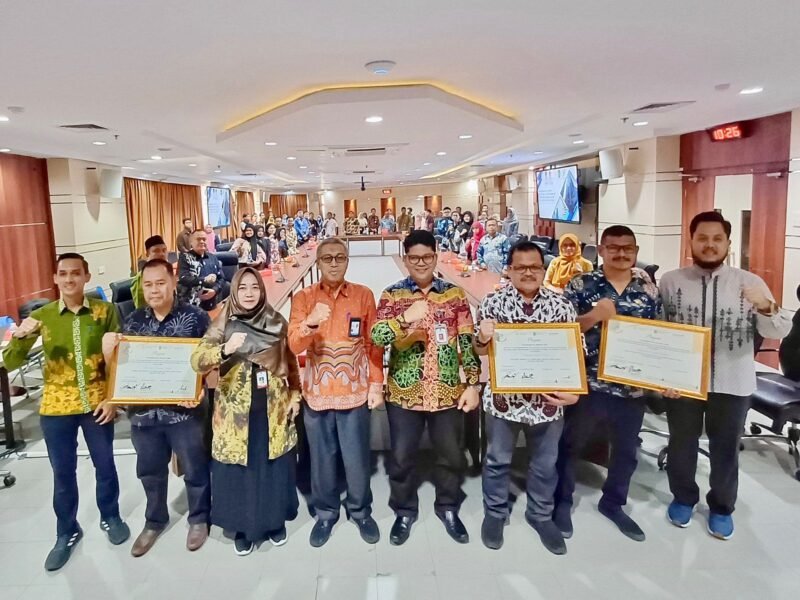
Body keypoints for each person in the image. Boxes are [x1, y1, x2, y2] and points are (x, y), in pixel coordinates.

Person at [660, 211, 792, 539]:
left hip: (733, 381)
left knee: (725, 449)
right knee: (681, 444)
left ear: (728, 244)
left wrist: (766, 306)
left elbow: (779, 330)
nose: (710, 245)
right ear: (691, 241)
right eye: (702, 238)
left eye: (717, 239)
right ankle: (683, 497)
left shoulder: (750, 282)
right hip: (684, 382)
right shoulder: (671, 281)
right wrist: (662, 377)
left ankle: (721, 507)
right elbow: (659, 331)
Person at [2, 253, 129, 571]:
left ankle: (110, 515)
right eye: (63, 273)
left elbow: (118, 359)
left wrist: (113, 399)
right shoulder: (42, 316)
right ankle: (67, 531)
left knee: (105, 465)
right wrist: (20, 336)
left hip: (97, 403)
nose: (70, 279)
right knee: (63, 473)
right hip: (56, 407)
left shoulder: (104, 311)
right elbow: (11, 362)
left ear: (86, 277)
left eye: (76, 273)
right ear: (55, 278)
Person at [371, 230, 481, 546]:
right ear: (405, 259)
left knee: (451, 456)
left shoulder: (454, 295)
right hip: (404, 394)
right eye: (414, 258)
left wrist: (472, 383)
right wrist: (404, 319)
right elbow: (376, 337)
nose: (421, 263)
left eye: (427, 257)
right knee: (401, 457)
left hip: (447, 392)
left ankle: (448, 507)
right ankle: (404, 510)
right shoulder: (393, 295)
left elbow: (466, 341)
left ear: (436, 257)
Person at [555, 225, 661, 543]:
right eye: (613, 247)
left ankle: (613, 503)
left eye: (628, 248)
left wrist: (663, 378)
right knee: (571, 445)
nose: (621, 253)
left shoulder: (649, 289)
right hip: (589, 384)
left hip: (631, 387)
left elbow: (660, 336)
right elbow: (560, 331)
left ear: (636, 251)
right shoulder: (581, 284)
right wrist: (594, 316)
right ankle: (561, 502)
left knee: (626, 452)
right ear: (600, 250)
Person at [474, 242, 580, 554]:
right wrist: (482, 337)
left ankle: (540, 515)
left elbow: (575, 351)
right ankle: (495, 513)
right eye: (520, 267)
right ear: (508, 270)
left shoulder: (561, 306)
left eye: (534, 266)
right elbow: (478, 349)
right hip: (503, 402)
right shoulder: (492, 302)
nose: (528, 272)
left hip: (548, 402)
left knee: (545, 465)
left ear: (543, 269)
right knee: (497, 461)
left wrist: (574, 392)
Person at [191, 267, 302, 555]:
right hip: (235, 415)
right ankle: (242, 528)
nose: (250, 293)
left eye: (255, 287)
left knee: (271, 467)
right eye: (243, 288)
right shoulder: (222, 323)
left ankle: (274, 521)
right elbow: (197, 360)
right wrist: (225, 350)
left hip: (272, 410)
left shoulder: (275, 321)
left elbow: (290, 362)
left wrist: (295, 394)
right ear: (234, 291)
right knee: (241, 470)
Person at [108, 259, 211, 557]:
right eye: (148, 284)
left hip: (185, 413)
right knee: (149, 472)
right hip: (144, 415)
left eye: (160, 283)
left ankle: (199, 518)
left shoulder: (196, 318)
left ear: (173, 282)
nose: (154, 290)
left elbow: (210, 361)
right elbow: (123, 366)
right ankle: (154, 520)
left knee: (195, 467)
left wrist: (200, 387)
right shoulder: (133, 321)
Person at [288, 238, 384, 547]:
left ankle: (360, 511)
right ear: (317, 263)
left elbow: (373, 343)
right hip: (316, 394)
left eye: (339, 257)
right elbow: (294, 345)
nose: (333, 263)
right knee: (322, 460)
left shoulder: (363, 295)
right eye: (327, 258)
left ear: (347, 261)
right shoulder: (304, 298)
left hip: (354, 393)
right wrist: (311, 322)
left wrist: (376, 384)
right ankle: (326, 513)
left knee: (356, 460)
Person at [177, 229, 229, 311]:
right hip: (192, 306)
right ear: (191, 242)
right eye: (198, 239)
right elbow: (184, 278)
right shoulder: (185, 258)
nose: (202, 241)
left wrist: (215, 290)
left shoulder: (212, 257)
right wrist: (204, 280)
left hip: (211, 304)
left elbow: (222, 278)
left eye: (204, 239)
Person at [131, 234, 168, 309]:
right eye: (156, 251)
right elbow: (141, 308)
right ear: (147, 253)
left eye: (164, 250)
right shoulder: (141, 278)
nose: (162, 254)